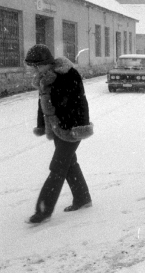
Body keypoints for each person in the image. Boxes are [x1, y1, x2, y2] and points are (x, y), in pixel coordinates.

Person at [25, 44, 94, 224]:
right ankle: (82, 198)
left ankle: (43, 211)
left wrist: (75, 128)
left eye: (38, 65)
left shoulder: (68, 75)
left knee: (57, 167)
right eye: (34, 66)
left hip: (72, 128)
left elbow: (79, 103)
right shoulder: (45, 78)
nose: (36, 69)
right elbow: (43, 105)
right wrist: (42, 125)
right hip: (57, 128)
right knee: (69, 164)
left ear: (47, 62)